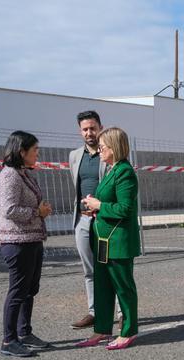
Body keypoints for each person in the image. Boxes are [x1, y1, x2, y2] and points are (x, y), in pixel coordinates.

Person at [77, 127, 141, 350]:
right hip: (103, 239)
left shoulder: (125, 172)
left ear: (115, 147)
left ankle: (129, 331)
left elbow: (125, 208)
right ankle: (102, 329)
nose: (100, 148)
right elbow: (108, 202)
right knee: (103, 286)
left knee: (123, 287)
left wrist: (99, 205)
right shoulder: (111, 169)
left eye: (104, 146)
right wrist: (94, 206)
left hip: (118, 241)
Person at [0, 131, 52, 357]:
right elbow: (8, 210)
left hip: (32, 239)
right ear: (22, 151)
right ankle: (9, 341)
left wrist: (40, 211)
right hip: (17, 242)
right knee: (18, 291)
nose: (38, 153)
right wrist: (37, 211)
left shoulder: (23, 173)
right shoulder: (9, 176)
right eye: (35, 149)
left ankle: (24, 332)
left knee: (30, 289)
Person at [68, 111, 120, 328]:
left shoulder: (109, 154)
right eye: (85, 129)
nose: (89, 132)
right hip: (82, 221)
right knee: (89, 270)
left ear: (100, 127)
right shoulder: (74, 156)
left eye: (92, 128)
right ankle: (94, 311)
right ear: (80, 131)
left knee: (110, 267)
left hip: (104, 221)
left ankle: (120, 312)